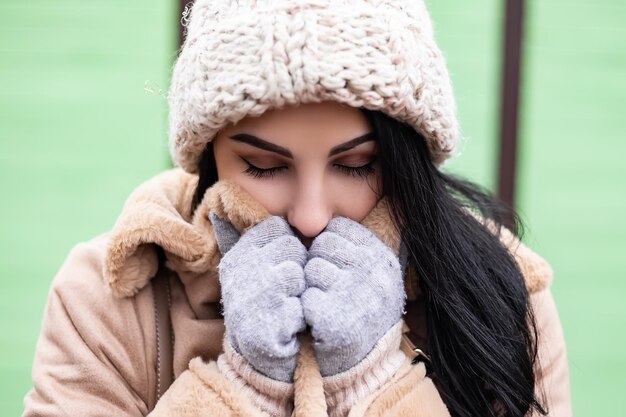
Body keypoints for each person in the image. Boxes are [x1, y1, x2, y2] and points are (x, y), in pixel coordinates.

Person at [23, 0, 571, 416]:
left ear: (410, 158)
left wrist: (371, 380)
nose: (310, 216)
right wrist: (243, 389)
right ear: (210, 152)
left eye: (358, 165)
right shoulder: (105, 296)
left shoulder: (503, 297)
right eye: (263, 166)